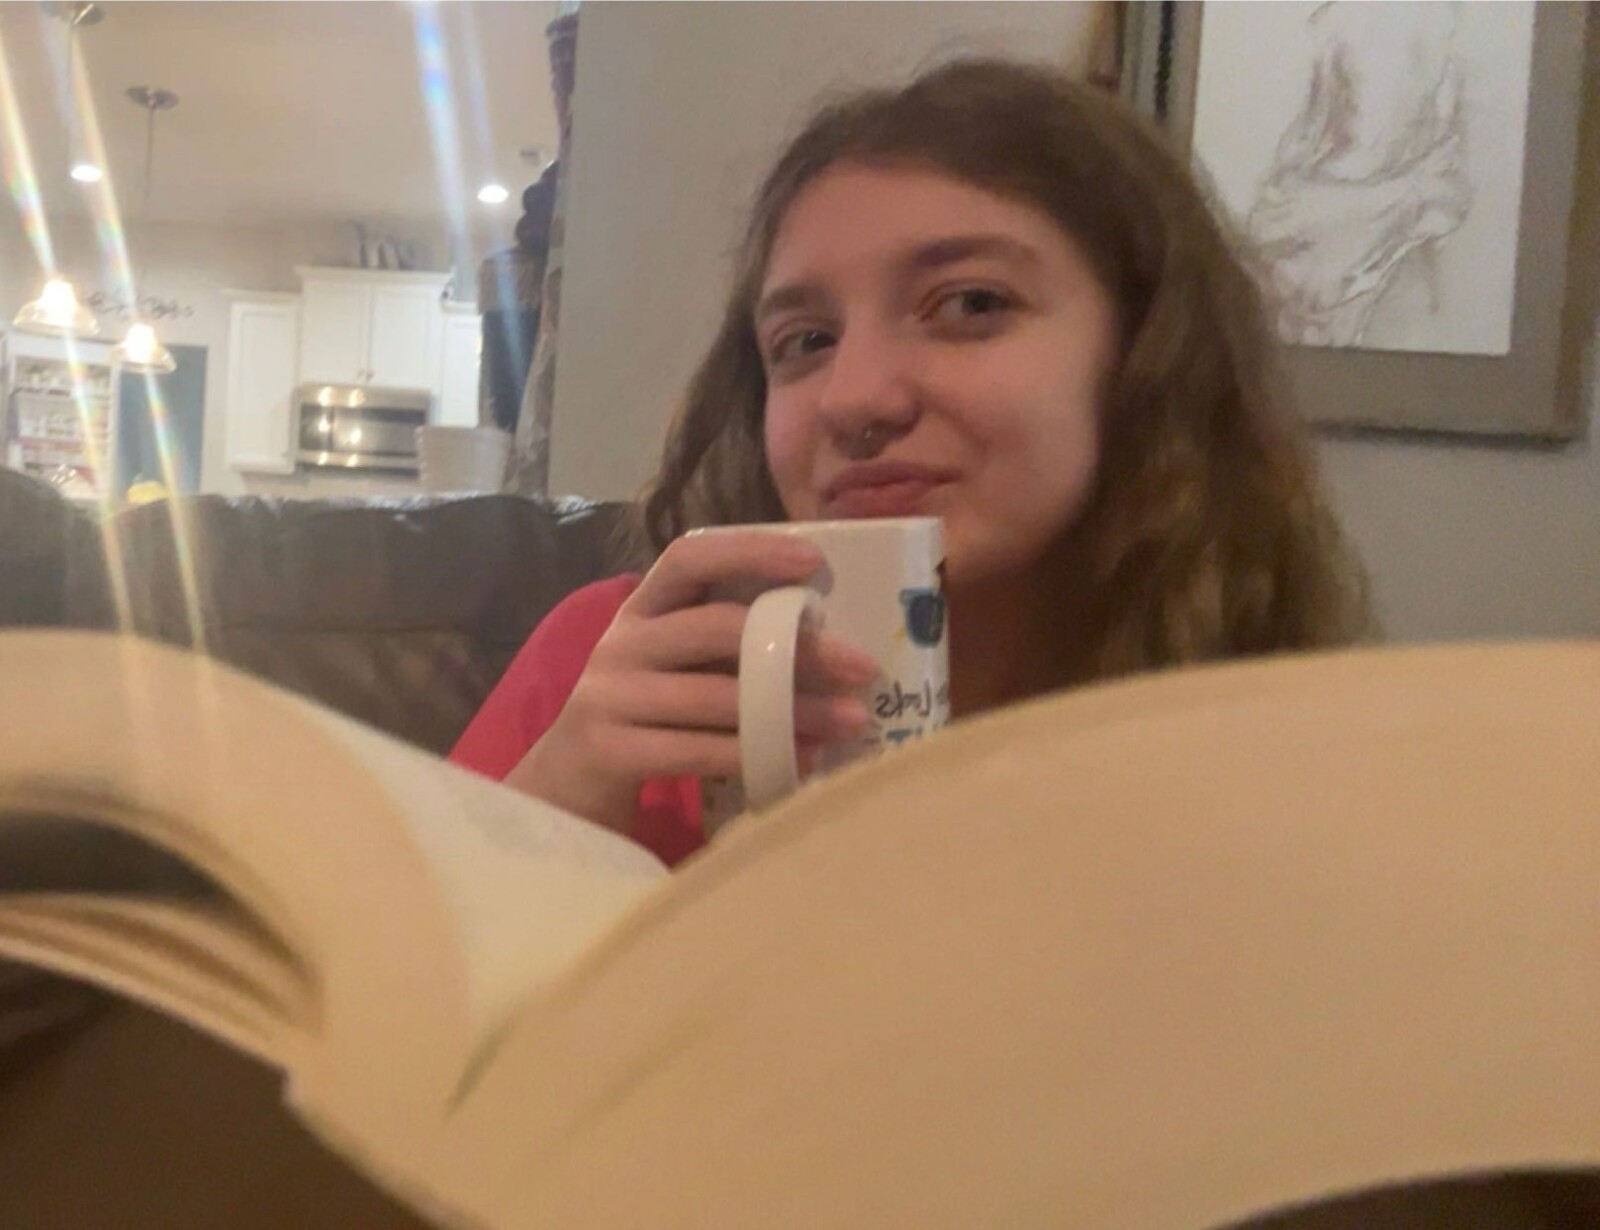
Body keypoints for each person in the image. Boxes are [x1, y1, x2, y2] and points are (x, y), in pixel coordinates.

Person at [450, 58, 1372, 866]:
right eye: (805, 341)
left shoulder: (1284, 731)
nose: (854, 398)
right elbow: (393, 992)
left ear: (1144, 351)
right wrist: (551, 804)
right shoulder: (606, 669)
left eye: (969, 304)